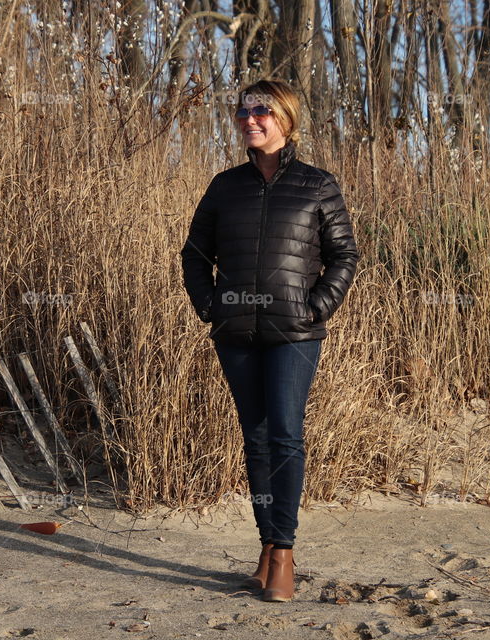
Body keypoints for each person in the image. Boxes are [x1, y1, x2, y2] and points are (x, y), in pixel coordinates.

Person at [180, 78, 359, 602]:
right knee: (253, 439)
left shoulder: (317, 185)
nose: (249, 119)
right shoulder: (224, 186)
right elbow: (194, 253)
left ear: (286, 118)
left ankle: (284, 551)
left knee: (284, 434)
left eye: (261, 111)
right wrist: (209, 305)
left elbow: (344, 255)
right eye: (243, 111)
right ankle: (264, 547)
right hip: (235, 332)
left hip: (293, 334)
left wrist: (316, 306)